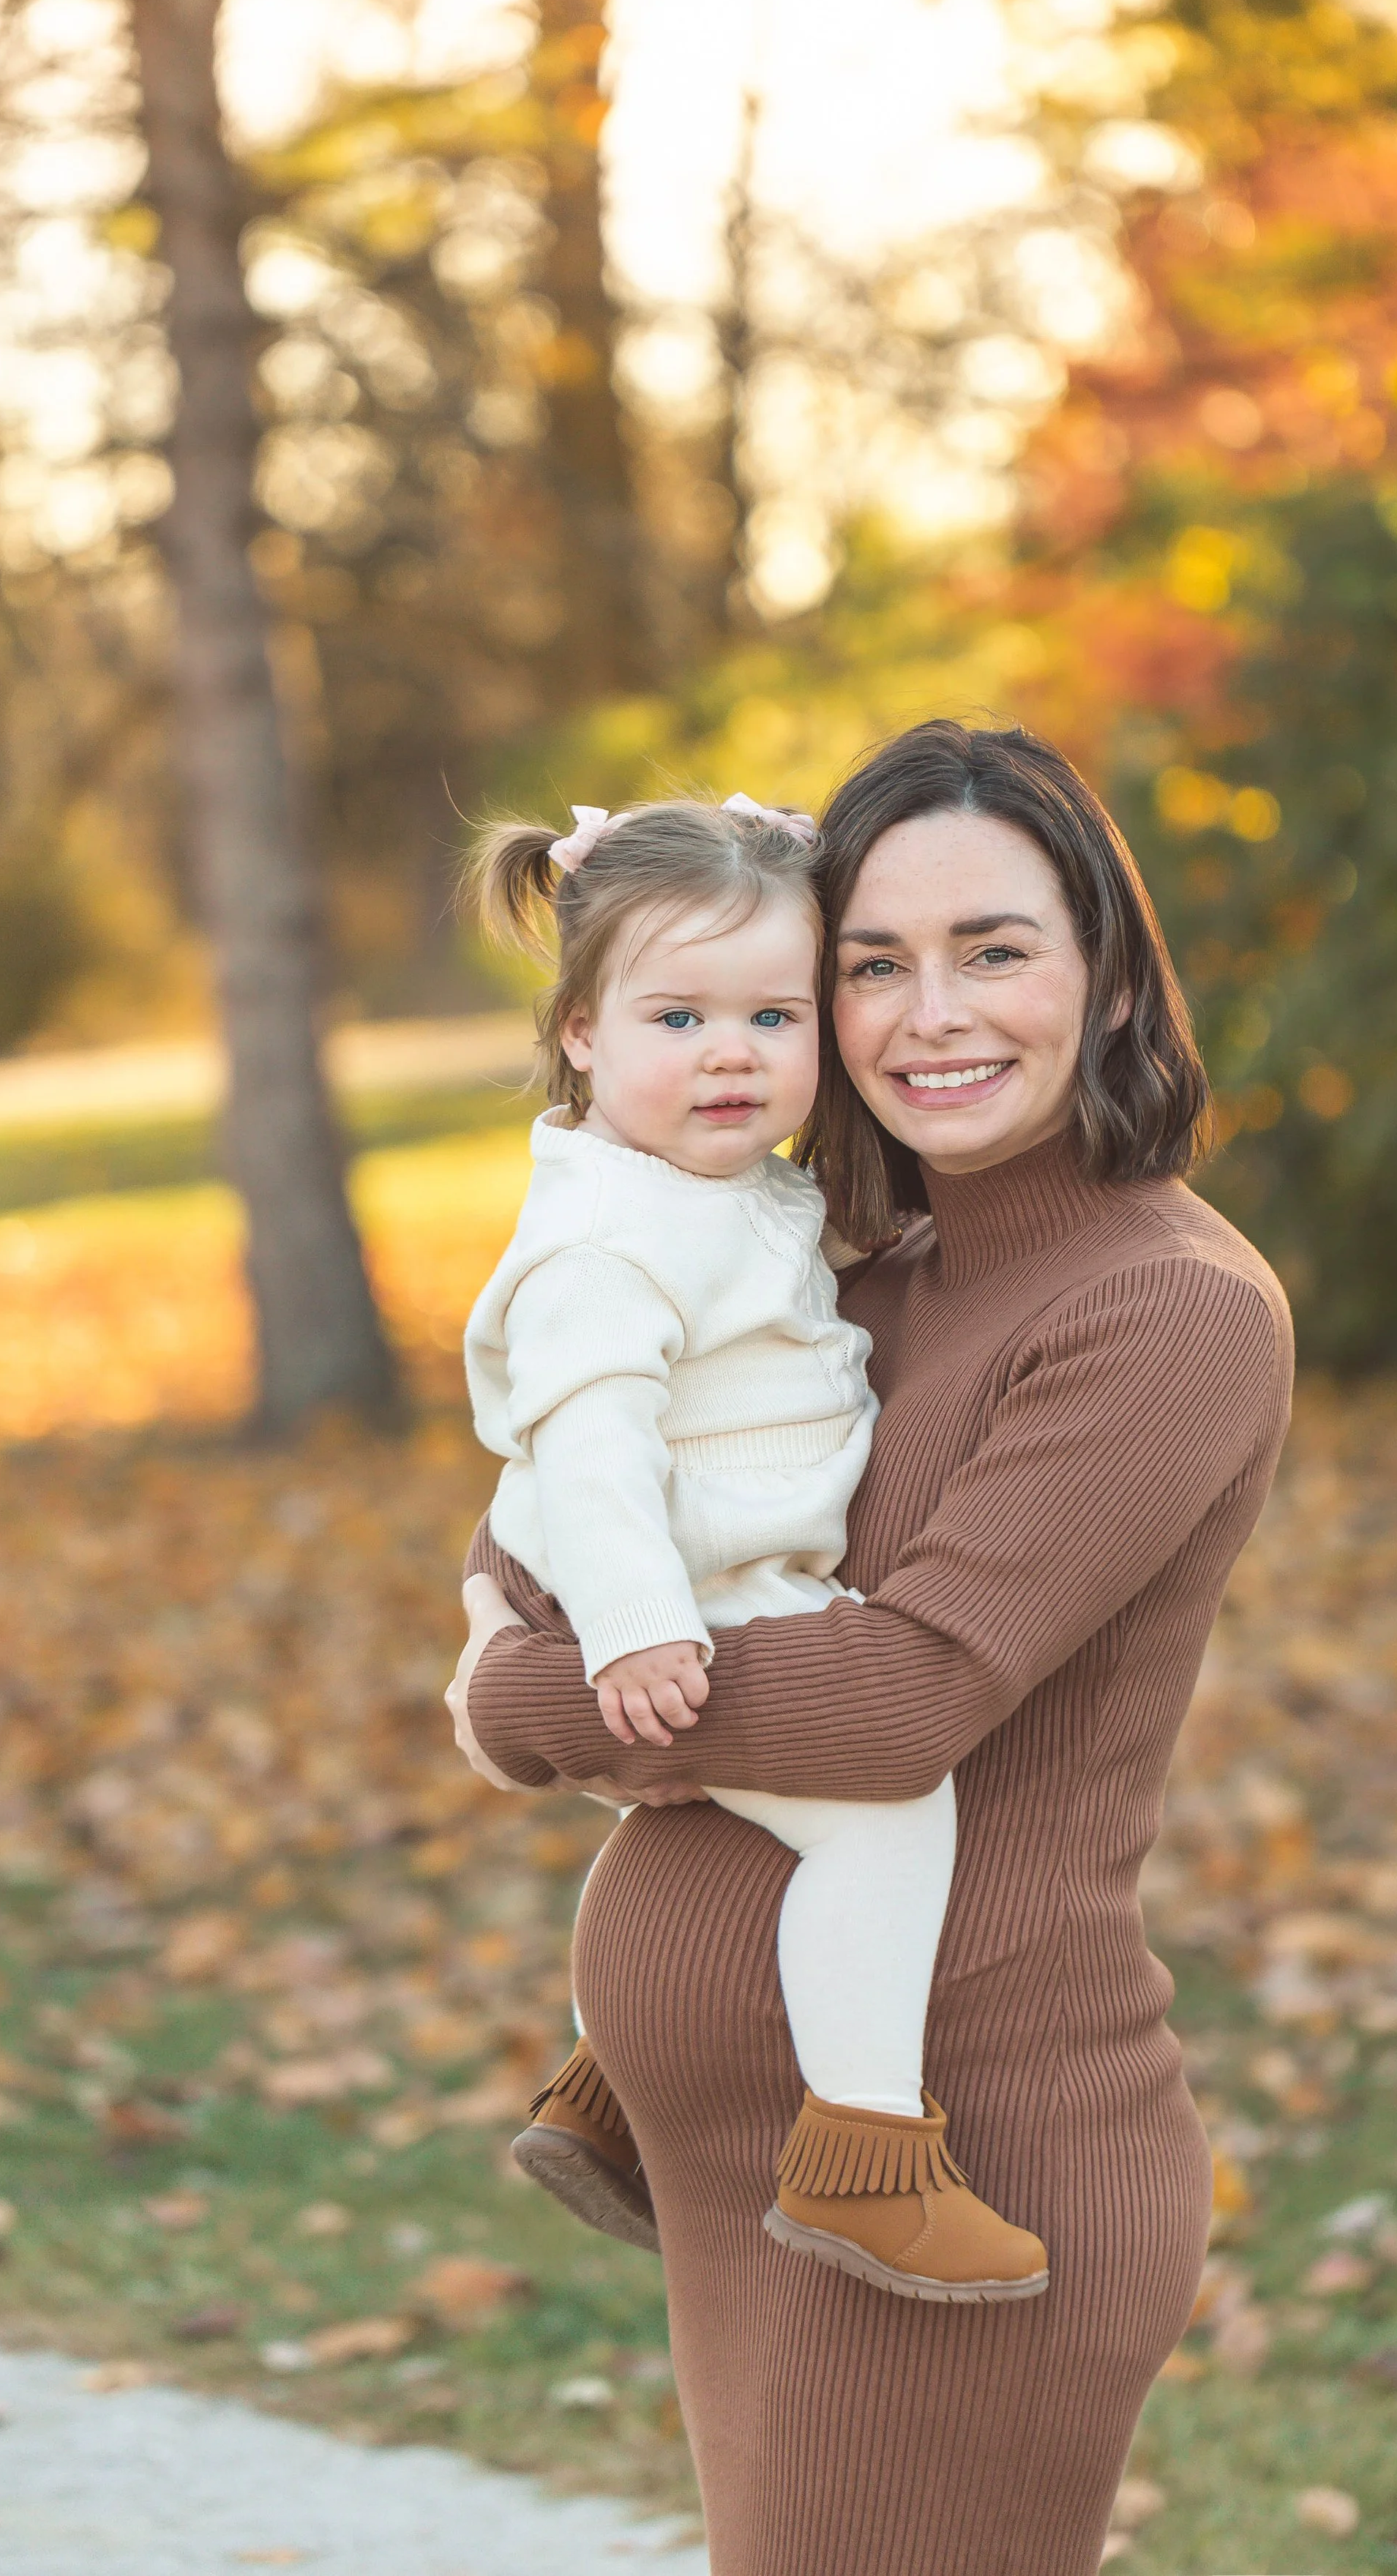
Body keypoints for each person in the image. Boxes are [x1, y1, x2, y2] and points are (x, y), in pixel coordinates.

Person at [451, 721, 1292, 2576]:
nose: (932, 1013)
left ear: (1104, 970)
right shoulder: (847, 1264)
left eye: (992, 949)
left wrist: (530, 1694)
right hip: (743, 2175)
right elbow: (547, 1526)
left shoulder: (1164, 1310)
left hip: (972, 2157)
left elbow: (899, 1699)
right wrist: (539, 1667)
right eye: (870, 964)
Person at [460, 789, 1046, 2301]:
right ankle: (865, 2157)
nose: (730, 1053)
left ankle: (604, 2089)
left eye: (771, 1015)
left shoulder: (716, 1185)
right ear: (580, 1032)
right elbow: (590, 1446)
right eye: (676, 1016)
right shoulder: (607, 1242)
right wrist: (639, 1625)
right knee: (887, 1816)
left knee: (687, 1824)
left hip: (716, 1573)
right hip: (688, 1590)